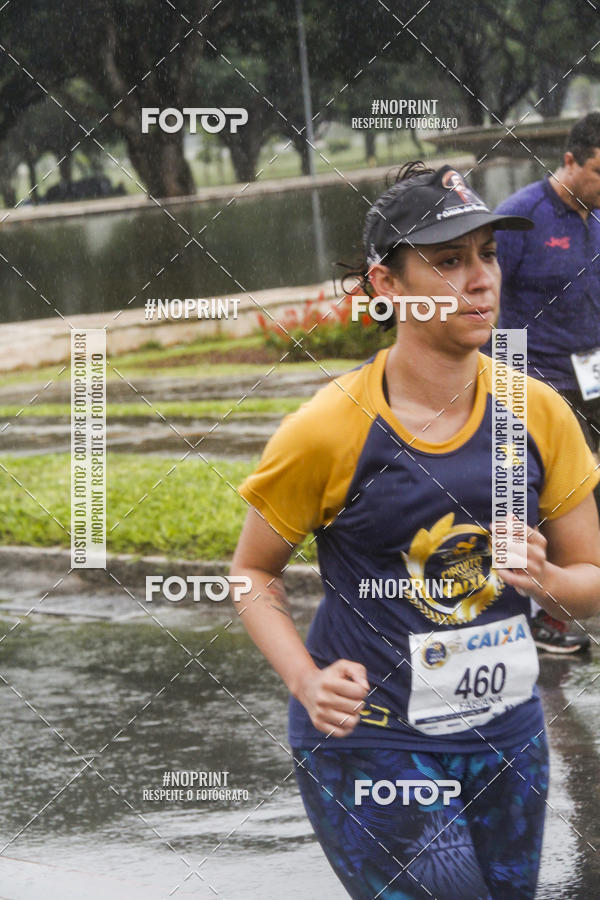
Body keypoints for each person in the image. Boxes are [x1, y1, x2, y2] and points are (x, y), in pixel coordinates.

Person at [230, 162, 600, 899]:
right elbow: (252, 572)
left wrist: (550, 581)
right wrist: (305, 680)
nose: (480, 279)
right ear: (387, 285)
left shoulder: (538, 412)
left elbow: (590, 579)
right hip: (373, 743)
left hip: (507, 738)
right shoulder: (329, 428)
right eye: (449, 261)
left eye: (488, 255)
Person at [490, 111, 600, 653]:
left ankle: (571, 601)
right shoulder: (521, 217)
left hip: (592, 377)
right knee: (538, 503)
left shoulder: (597, 217)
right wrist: (501, 380)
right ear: (570, 161)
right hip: (532, 379)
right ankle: (538, 619)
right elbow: (481, 298)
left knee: (589, 498)